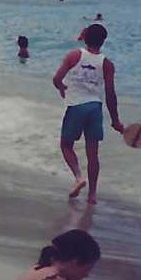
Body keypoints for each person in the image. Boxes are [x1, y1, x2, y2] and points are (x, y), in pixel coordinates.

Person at [52, 23, 124, 202]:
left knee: (66, 145)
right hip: (95, 108)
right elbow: (110, 94)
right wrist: (115, 120)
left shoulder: (74, 55)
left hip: (76, 106)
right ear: (103, 41)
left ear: (84, 37)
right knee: (93, 154)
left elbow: (56, 79)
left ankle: (78, 177)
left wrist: (61, 87)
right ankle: (92, 195)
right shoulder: (107, 64)